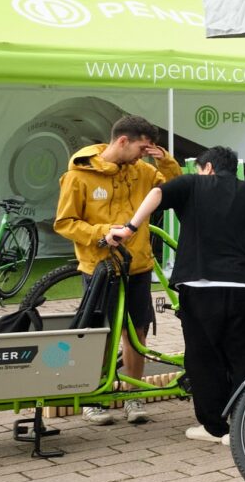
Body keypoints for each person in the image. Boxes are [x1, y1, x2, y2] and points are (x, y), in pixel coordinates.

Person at [110, 146, 245, 441]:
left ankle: (214, 427)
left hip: (199, 286)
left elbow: (157, 194)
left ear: (207, 168)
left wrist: (130, 228)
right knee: (241, 357)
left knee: (203, 358)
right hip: (240, 287)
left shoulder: (194, 183)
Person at [54, 114, 180, 420]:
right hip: (99, 268)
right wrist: (102, 233)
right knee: (101, 333)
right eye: (142, 148)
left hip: (137, 267)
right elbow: (65, 223)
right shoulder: (79, 175)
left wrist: (166, 162)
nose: (143, 155)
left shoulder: (144, 172)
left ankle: (133, 395)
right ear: (123, 141)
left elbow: (178, 191)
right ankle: (94, 397)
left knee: (136, 333)